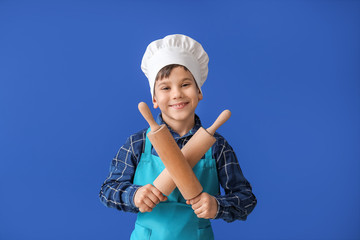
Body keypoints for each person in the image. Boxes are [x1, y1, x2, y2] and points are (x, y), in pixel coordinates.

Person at [99, 34, 257, 240]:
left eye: (185, 85)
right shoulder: (138, 143)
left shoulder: (217, 146)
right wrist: (134, 195)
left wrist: (217, 206)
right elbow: (108, 190)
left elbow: (246, 199)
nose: (176, 94)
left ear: (199, 91)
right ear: (154, 99)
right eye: (166, 88)